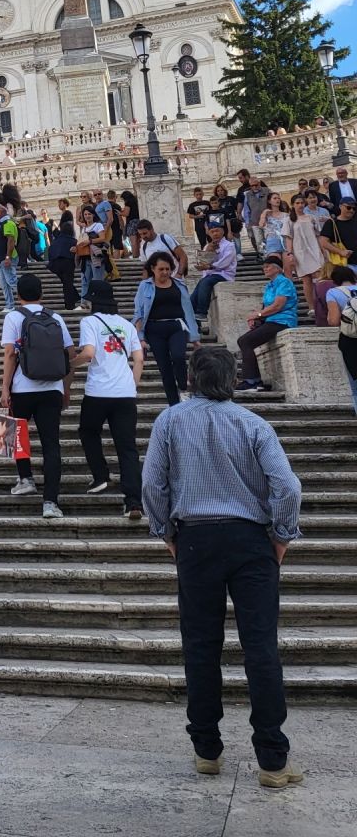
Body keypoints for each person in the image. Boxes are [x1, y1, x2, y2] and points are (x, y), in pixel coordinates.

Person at [141, 346, 303, 789]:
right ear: (232, 379)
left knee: (199, 644)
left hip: (196, 539)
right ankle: (273, 759)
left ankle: (206, 749)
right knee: (261, 647)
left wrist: (166, 532)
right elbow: (287, 486)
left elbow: (152, 483)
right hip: (251, 540)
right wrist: (282, 537)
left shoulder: (169, 421)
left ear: (191, 378)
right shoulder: (253, 424)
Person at [0, 271, 74, 519]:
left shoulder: (13, 317)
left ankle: (25, 478)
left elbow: (10, 354)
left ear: (18, 294)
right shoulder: (56, 317)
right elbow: (69, 354)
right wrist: (65, 388)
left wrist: (4, 387)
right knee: (51, 444)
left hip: (22, 388)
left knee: (16, 435)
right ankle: (51, 502)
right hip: (52, 388)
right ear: (42, 293)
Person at [74, 281, 144, 520]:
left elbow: (89, 353)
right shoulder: (126, 325)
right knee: (127, 448)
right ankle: (133, 502)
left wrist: (68, 365)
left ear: (93, 300)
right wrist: (131, 385)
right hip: (125, 393)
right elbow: (139, 359)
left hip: (98, 392)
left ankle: (101, 475)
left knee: (88, 431)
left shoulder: (89, 322)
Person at [133, 252, 199, 407]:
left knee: (178, 356)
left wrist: (195, 337)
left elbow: (188, 310)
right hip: (154, 330)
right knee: (165, 368)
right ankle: (173, 404)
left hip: (176, 326)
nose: (165, 272)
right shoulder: (145, 286)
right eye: (161, 269)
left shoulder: (179, 284)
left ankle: (183, 388)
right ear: (153, 269)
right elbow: (139, 313)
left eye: (168, 269)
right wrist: (141, 338)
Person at [236, 255, 300, 391]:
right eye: (264, 267)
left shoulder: (284, 282)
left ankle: (252, 381)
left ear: (277, 269)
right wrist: (258, 319)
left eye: (268, 266)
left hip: (283, 320)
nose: (265, 269)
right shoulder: (269, 286)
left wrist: (258, 314)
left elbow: (278, 306)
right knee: (244, 340)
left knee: (245, 341)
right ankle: (254, 380)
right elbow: (266, 307)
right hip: (271, 320)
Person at [324, 266, 357, 415]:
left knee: (355, 386)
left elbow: (333, 320)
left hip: (350, 340)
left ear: (334, 280)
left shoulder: (333, 292)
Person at [189, 224, 237, 322]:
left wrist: (210, 266)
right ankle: (194, 320)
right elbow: (203, 261)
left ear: (223, 232)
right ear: (209, 233)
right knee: (193, 296)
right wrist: (208, 251)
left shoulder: (229, 245)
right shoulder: (207, 245)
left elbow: (225, 263)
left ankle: (202, 312)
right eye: (212, 232)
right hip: (209, 275)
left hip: (224, 274)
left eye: (217, 231)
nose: (215, 234)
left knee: (206, 282)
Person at [286, 196, 325, 320]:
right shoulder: (289, 220)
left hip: (314, 249)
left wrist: (323, 251)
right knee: (306, 280)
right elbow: (288, 238)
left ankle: (323, 303)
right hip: (300, 252)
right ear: (293, 205)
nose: (300, 205)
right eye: (297, 203)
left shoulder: (311, 218)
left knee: (319, 277)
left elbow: (318, 235)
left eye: (302, 202)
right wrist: (290, 254)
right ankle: (311, 307)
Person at [45, 210, 79, 309]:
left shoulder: (56, 241)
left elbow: (50, 251)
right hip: (67, 263)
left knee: (66, 282)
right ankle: (70, 305)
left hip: (55, 265)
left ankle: (75, 297)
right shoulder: (73, 241)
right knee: (68, 284)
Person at [259, 193, 291, 262]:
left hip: (284, 241)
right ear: (269, 201)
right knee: (275, 262)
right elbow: (261, 225)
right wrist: (264, 213)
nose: (277, 200)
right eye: (275, 198)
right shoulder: (266, 214)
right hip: (272, 241)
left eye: (279, 198)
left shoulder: (286, 215)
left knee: (286, 263)